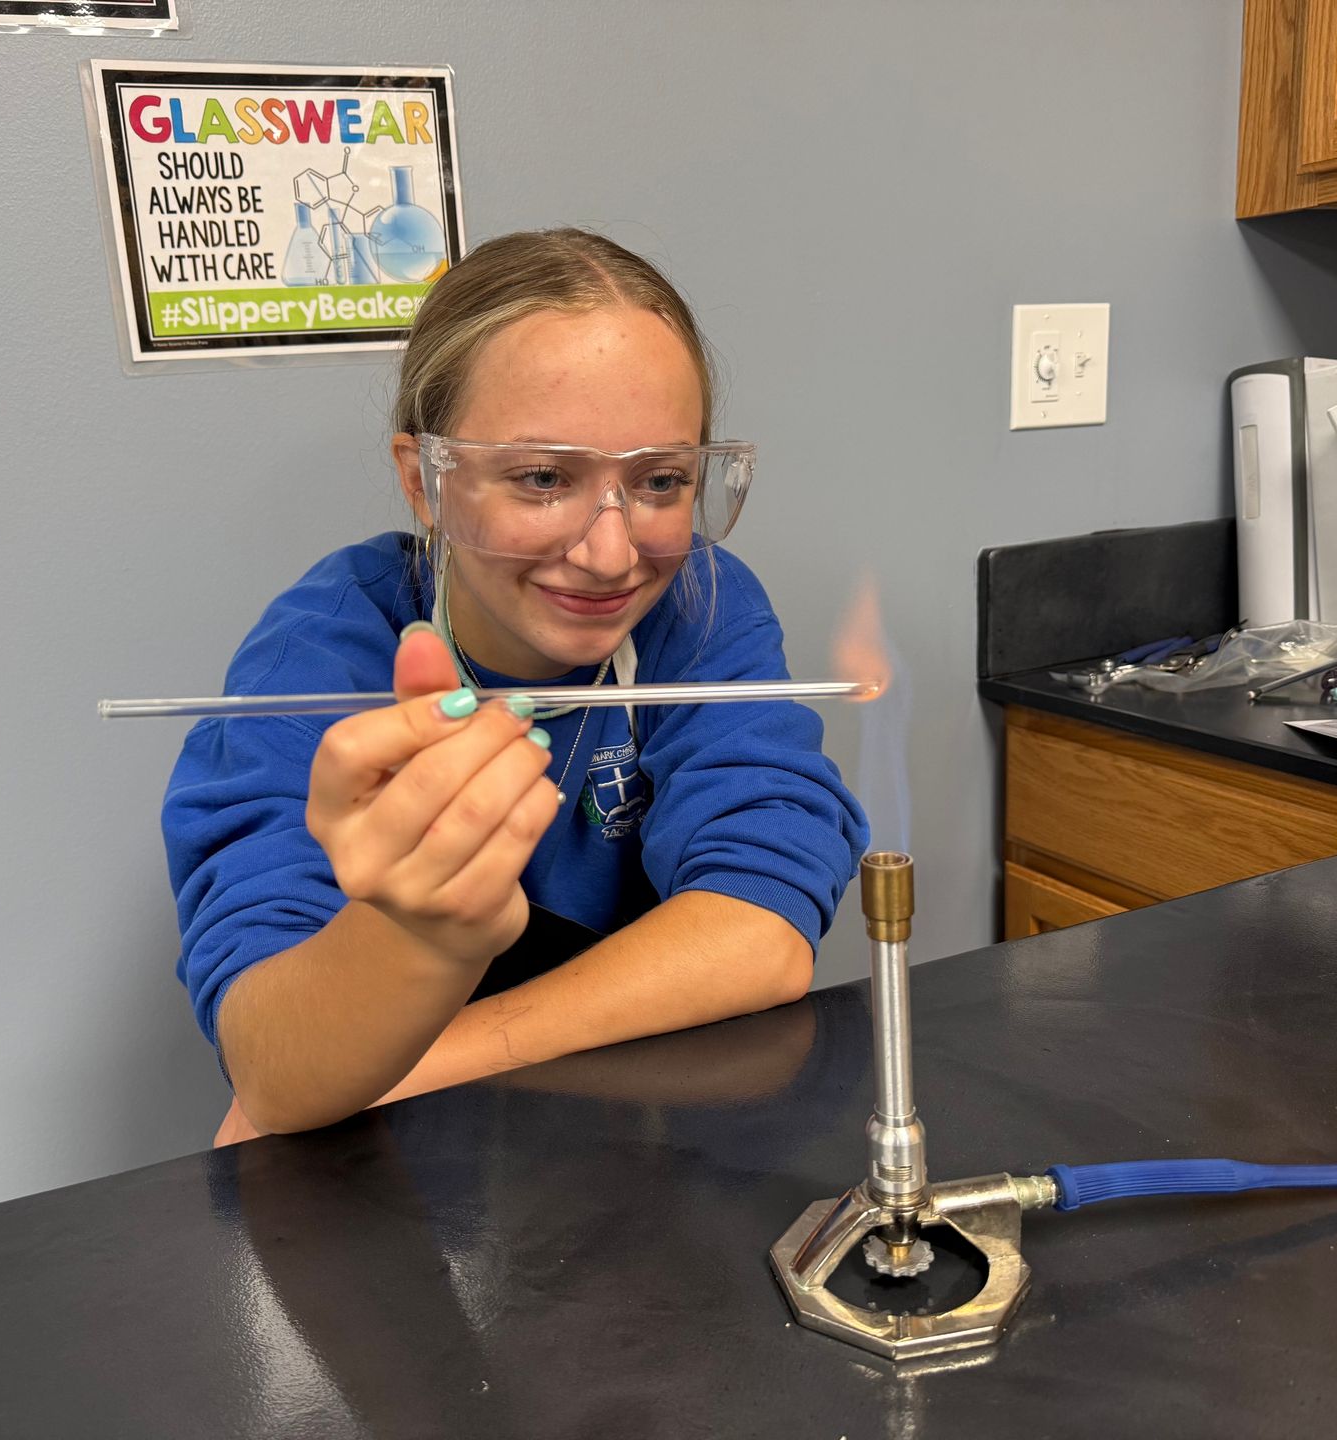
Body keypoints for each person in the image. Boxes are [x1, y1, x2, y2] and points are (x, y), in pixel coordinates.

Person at [163, 228, 867, 1140]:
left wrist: (417, 1064)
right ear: (425, 482)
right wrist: (424, 936)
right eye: (541, 477)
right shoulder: (324, 654)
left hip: (638, 1145)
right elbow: (273, 1054)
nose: (612, 554)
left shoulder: (700, 602)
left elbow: (759, 929)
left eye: (660, 481)